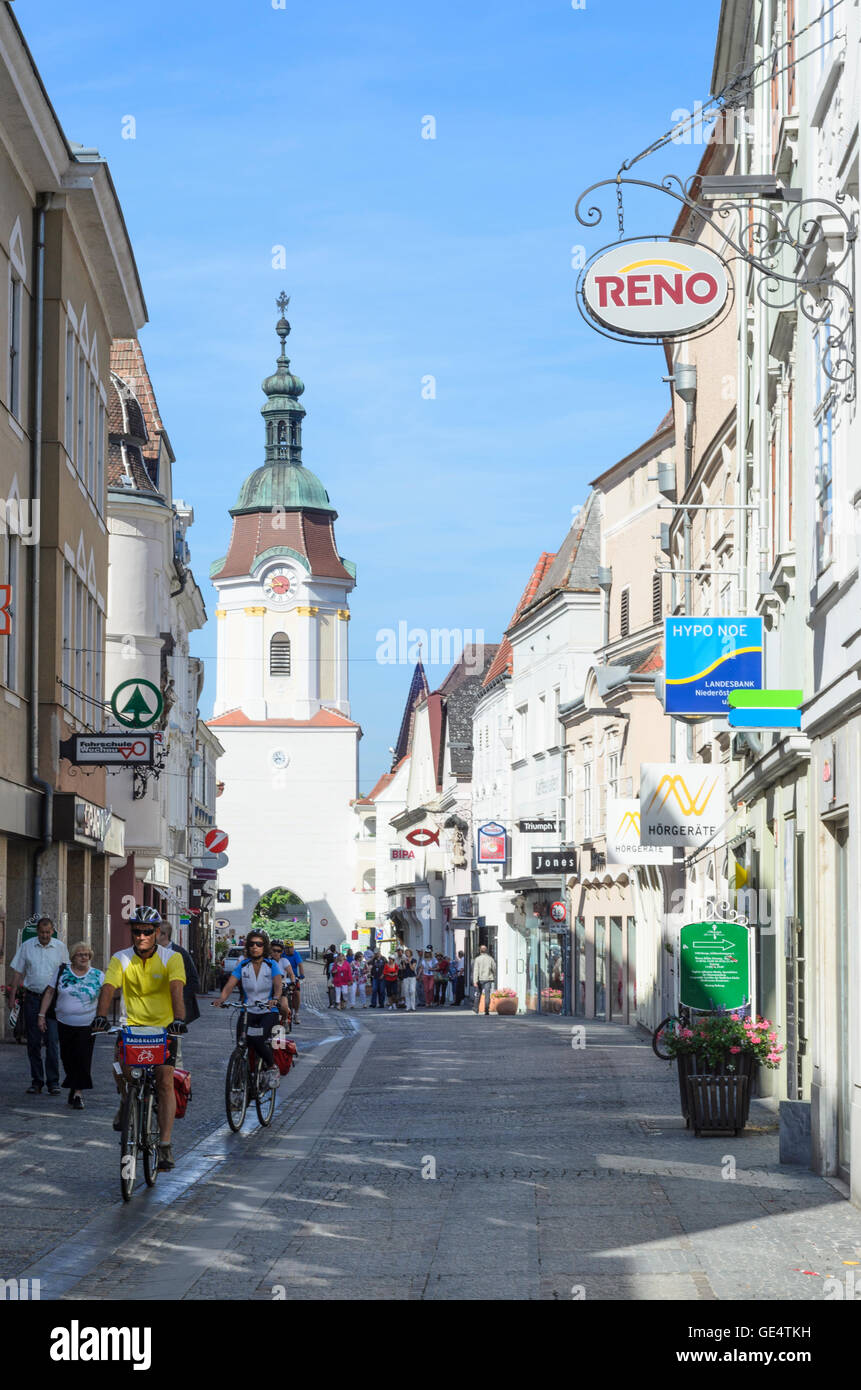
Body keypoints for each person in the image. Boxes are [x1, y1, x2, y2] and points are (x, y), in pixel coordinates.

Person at [93, 907, 187, 1171]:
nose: (142, 936)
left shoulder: (171, 958)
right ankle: (126, 1101)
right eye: (137, 931)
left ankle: (165, 1145)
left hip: (163, 1029)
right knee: (122, 1072)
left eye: (147, 931)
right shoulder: (120, 958)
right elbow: (109, 986)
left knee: (165, 1082)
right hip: (131, 1027)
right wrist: (101, 1015)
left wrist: (179, 1019)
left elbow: (176, 988)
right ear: (132, 932)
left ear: (157, 932)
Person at [212, 929, 283, 1090]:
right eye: (251, 944)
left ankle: (272, 1067)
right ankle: (238, 1089)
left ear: (264, 946)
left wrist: (275, 999)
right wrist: (222, 998)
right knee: (241, 1044)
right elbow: (230, 984)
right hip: (248, 1010)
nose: (254, 947)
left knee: (257, 1039)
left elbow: (278, 985)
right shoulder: (243, 965)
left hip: (267, 1011)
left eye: (259, 944)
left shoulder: (271, 965)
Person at [8, 917, 70, 1095]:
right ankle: (37, 1081)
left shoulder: (60, 947)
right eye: (42, 932)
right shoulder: (27, 946)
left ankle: (53, 1082)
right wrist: (12, 997)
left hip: (53, 1000)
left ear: (52, 931)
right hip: (33, 998)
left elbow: (65, 973)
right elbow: (18, 972)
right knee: (33, 1042)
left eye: (48, 932)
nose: (45, 935)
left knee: (52, 1040)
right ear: (38, 932)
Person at [38, 941, 103, 1108]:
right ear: (73, 956)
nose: (84, 957)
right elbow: (50, 992)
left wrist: (101, 1017)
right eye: (80, 954)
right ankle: (74, 1085)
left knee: (83, 1058)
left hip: (87, 1024)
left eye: (87, 955)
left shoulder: (98, 975)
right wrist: (41, 1015)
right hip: (63, 1022)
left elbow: (106, 995)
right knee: (67, 1057)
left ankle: (78, 1094)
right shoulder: (62, 971)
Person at [157, 922, 200, 1066]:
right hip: (153, 1010)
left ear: (164, 935)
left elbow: (194, 981)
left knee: (175, 1051)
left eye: (154, 933)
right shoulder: (150, 953)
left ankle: (177, 1084)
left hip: (174, 1012)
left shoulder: (180, 953)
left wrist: (177, 998)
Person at [269, 940, 296, 1027]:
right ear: (270, 950)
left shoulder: (284, 961)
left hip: (281, 987)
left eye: (279, 951)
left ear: (282, 952)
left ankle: (284, 1020)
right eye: (274, 950)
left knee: (284, 1007)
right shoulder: (266, 961)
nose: (276, 953)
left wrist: (292, 982)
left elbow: (291, 974)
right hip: (268, 988)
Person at [282, 939, 305, 1024]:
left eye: (290, 948)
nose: (288, 950)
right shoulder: (282, 955)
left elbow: (300, 965)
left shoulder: (296, 954)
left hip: (294, 977)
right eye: (287, 948)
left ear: (293, 947)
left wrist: (302, 975)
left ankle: (296, 1013)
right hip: (284, 977)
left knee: (297, 993)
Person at [473, 944, 496, 1016]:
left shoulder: (477, 959)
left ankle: (476, 1009)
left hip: (480, 979)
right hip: (488, 979)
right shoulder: (490, 959)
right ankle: (486, 1010)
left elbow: (476, 970)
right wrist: (493, 974)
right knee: (487, 995)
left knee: (478, 994)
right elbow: (494, 968)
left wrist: (475, 981)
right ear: (486, 951)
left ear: (480, 950)